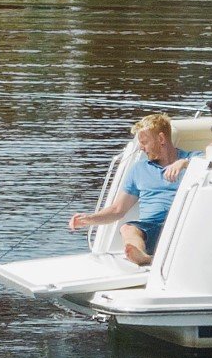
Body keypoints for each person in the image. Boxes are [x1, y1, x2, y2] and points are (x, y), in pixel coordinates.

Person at [70, 113, 194, 266]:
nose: (141, 148)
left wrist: (183, 163)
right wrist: (89, 219)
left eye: (144, 142)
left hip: (184, 225)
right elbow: (117, 209)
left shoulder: (194, 160)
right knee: (127, 228)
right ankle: (142, 256)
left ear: (161, 139)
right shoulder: (139, 170)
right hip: (151, 228)